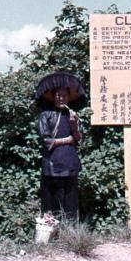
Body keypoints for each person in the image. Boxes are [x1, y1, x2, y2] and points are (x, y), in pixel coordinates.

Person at [35, 72, 86, 220]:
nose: (60, 98)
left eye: (64, 95)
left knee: (71, 201)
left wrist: (73, 125)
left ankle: (70, 232)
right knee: (52, 202)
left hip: (70, 164)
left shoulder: (73, 115)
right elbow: (46, 141)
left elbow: (79, 139)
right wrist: (66, 140)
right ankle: (53, 233)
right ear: (53, 97)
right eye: (58, 95)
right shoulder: (45, 115)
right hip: (52, 166)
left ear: (68, 97)